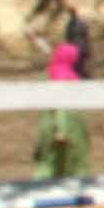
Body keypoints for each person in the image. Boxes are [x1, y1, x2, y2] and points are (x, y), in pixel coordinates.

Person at [34, 43, 90, 179]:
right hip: (65, 127)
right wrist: (60, 129)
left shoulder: (49, 74)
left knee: (49, 162)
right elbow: (58, 106)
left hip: (51, 126)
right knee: (65, 165)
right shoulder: (63, 78)